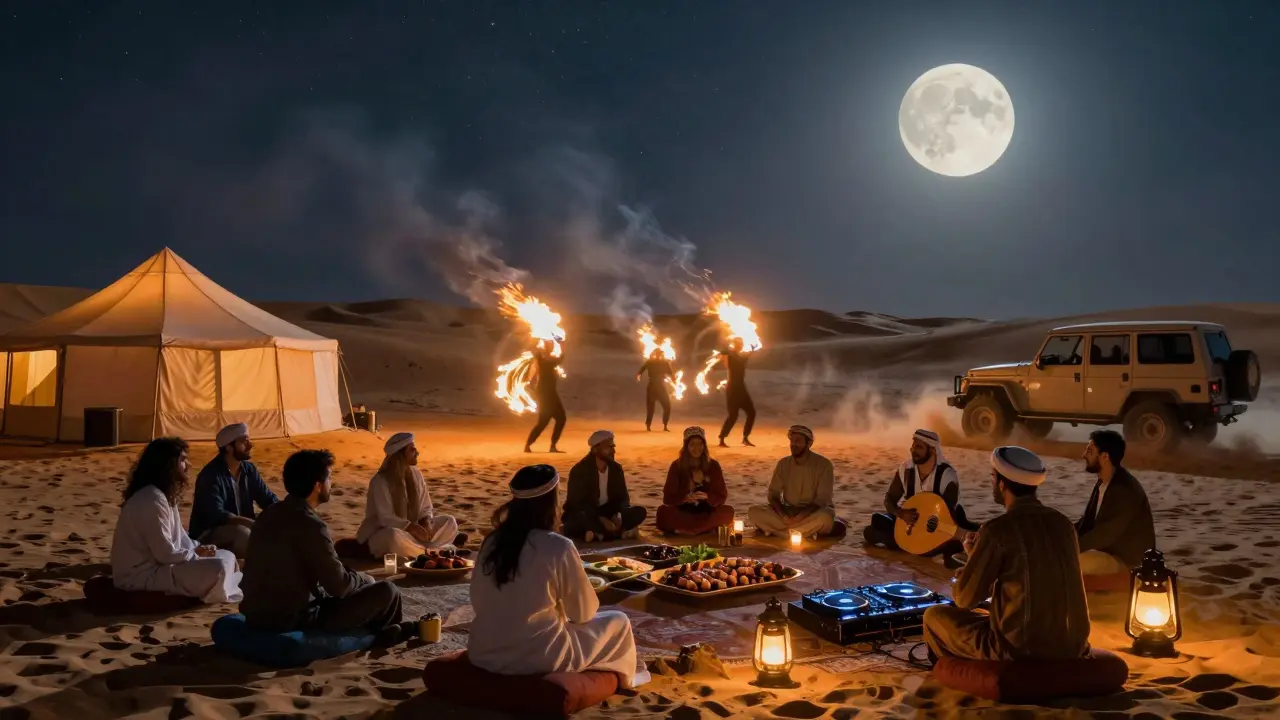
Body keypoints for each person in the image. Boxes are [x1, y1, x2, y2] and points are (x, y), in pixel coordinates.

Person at [469, 465, 640, 687]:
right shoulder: (558, 546)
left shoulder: (491, 541)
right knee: (619, 621)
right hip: (540, 657)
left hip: (484, 652)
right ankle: (620, 681)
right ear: (550, 502)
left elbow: (477, 600)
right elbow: (583, 613)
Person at [922, 446, 1091, 663]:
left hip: (1019, 648)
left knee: (934, 616)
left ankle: (959, 675)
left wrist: (972, 560)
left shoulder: (997, 530)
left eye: (993, 477)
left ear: (1002, 484)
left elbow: (965, 598)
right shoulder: (1064, 524)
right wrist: (978, 556)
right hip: (1073, 645)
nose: (992, 483)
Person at [239, 449, 413, 644]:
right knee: (388, 591)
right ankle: (383, 635)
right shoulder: (310, 525)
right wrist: (364, 580)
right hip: (291, 619)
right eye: (329, 477)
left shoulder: (267, 515)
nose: (332, 483)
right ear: (317, 485)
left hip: (255, 614)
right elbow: (339, 585)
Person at [110, 437, 242, 603]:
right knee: (218, 568)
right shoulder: (151, 499)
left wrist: (199, 548)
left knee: (227, 556)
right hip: (141, 575)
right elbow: (165, 554)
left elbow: (180, 539)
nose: (189, 465)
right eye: (182, 460)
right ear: (167, 465)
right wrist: (195, 554)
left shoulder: (163, 495)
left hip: (164, 565)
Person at [862, 429, 976, 556]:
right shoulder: (906, 470)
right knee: (873, 527)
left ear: (932, 450)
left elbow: (947, 515)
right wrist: (901, 513)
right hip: (911, 525)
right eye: (913, 446)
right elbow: (889, 499)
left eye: (919, 447)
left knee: (949, 545)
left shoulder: (947, 475)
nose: (913, 450)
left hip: (940, 527)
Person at [356, 432, 464, 558]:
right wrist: (411, 528)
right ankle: (434, 550)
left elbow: (425, 507)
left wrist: (426, 523)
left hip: (414, 534)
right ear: (400, 455)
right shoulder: (380, 481)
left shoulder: (416, 474)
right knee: (392, 537)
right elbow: (386, 518)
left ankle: (425, 550)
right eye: (412, 450)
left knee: (450, 522)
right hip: (385, 532)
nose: (417, 453)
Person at [188, 423, 279, 558]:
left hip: (242, 525)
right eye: (244, 442)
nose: (250, 445)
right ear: (229, 447)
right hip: (209, 534)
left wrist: (283, 512)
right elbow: (217, 515)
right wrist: (252, 524)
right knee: (243, 533)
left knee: (275, 522)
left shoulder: (249, 470)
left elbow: (267, 498)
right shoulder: (210, 475)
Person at [1076, 429, 1156, 575]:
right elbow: (1087, 523)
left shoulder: (1124, 489)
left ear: (1105, 457)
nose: (1084, 455)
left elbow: (1105, 534)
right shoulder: (1103, 483)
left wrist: (1070, 548)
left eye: (1090, 451)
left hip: (1127, 562)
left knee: (1071, 563)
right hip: (1106, 553)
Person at [747, 425, 844, 539]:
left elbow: (822, 499)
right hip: (787, 513)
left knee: (825, 517)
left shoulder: (824, 465)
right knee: (754, 512)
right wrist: (784, 514)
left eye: (798, 441)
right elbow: (773, 494)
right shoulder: (783, 464)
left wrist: (802, 515)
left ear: (809, 444)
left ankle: (781, 532)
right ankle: (804, 532)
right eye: (792, 441)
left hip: (812, 512)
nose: (793, 445)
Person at [562, 430, 647, 542]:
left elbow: (623, 498)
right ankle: (617, 532)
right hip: (588, 512)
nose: (613, 451)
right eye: (608, 447)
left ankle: (598, 534)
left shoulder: (616, 469)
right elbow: (577, 503)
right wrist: (601, 519)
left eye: (613, 447)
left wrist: (618, 515)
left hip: (609, 512)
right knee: (576, 520)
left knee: (640, 511)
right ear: (595, 449)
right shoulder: (579, 470)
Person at [655, 427, 734, 535]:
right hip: (684, 512)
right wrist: (685, 497)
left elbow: (721, 496)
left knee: (728, 511)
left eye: (700, 444)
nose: (696, 448)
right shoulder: (677, 466)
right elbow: (668, 498)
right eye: (692, 444)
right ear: (686, 447)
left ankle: (689, 530)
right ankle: (701, 529)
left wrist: (707, 497)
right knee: (662, 512)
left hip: (706, 512)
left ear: (704, 446)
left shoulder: (713, 465)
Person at [524, 339, 567, 453]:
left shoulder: (545, 361)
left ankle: (531, 445)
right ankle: (545, 446)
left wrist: (560, 346)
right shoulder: (544, 362)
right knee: (554, 420)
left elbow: (557, 359)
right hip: (547, 395)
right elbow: (558, 360)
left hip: (549, 394)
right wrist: (562, 346)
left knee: (552, 420)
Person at [714, 338, 756, 447]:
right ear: (735, 345)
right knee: (733, 415)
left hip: (741, 388)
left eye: (741, 344)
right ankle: (722, 438)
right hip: (732, 389)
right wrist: (726, 350)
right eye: (739, 344)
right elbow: (723, 352)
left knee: (751, 413)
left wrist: (752, 350)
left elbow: (743, 359)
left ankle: (745, 437)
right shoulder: (730, 355)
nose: (741, 346)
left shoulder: (739, 356)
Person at [636, 349, 674, 432]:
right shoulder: (655, 362)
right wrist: (638, 375)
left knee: (664, 406)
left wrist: (638, 375)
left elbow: (670, 374)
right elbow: (641, 370)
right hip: (656, 386)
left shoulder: (660, 362)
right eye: (658, 354)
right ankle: (651, 425)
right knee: (653, 407)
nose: (659, 356)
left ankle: (663, 425)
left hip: (656, 386)